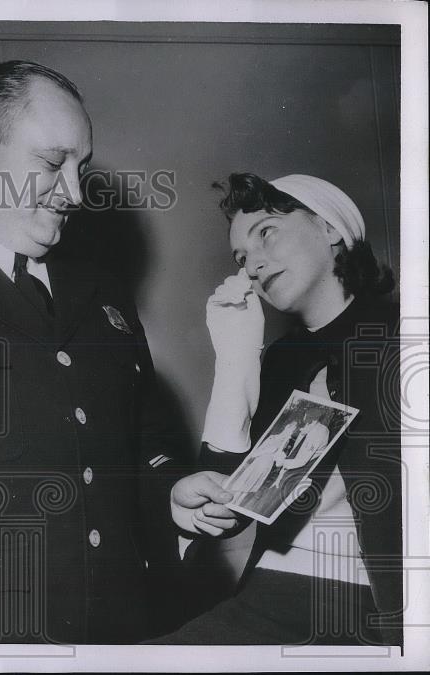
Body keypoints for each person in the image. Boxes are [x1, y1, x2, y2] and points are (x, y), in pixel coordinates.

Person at [0, 60, 181, 644]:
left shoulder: (101, 289)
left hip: (120, 635)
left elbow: (142, 437)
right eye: (51, 163)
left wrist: (171, 492)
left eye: (80, 167)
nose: (73, 192)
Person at [165, 173, 400, 645]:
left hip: (381, 610)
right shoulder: (283, 362)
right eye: (241, 257)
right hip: (274, 597)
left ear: (330, 228)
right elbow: (226, 513)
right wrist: (236, 359)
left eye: (266, 232)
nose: (252, 264)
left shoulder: (404, 338)